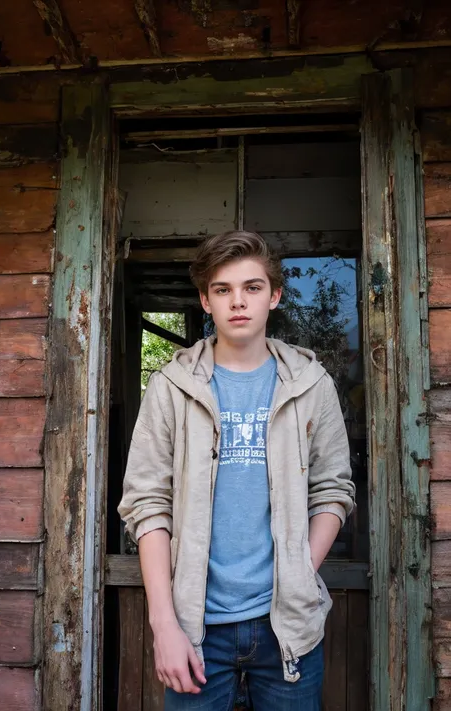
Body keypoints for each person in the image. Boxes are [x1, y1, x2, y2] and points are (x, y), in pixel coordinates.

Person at [118, 230, 356, 711]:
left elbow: (333, 490)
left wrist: (299, 571)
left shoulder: (312, 385)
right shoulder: (170, 387)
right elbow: (147, 504)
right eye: (223, 290)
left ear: (275, 295)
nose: (238, 302)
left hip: (287, 628)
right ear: (205, 300)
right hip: (196, 630)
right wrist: (164, 626)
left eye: (252, 287)